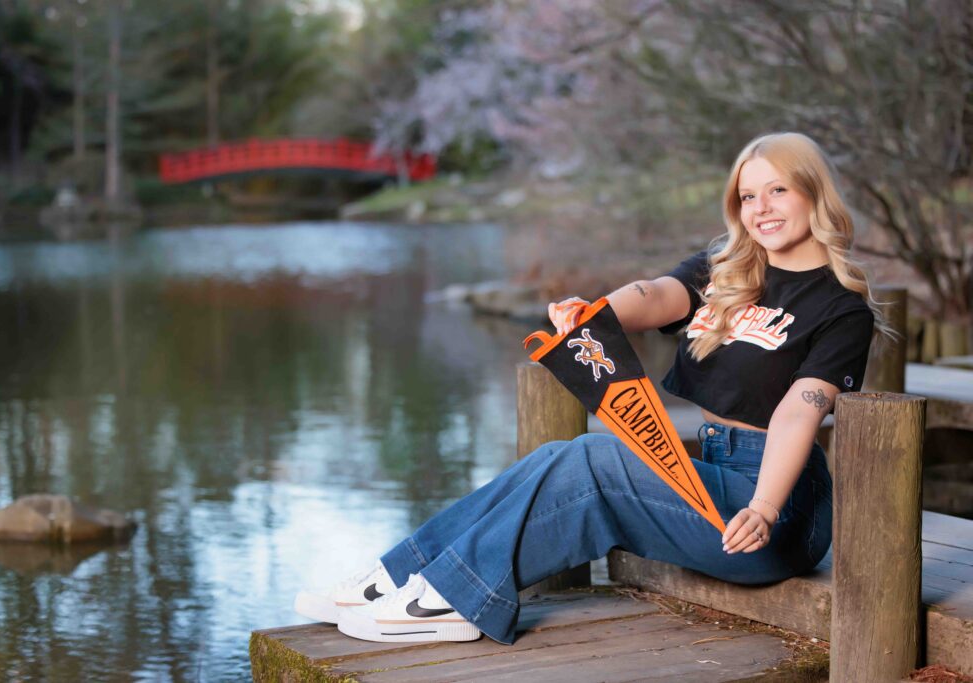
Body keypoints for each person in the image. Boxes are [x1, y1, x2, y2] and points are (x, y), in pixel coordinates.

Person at [294, 131, 879, 646]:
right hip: (713, 474)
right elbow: (654, 295)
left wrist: (765, 506)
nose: (760, 209)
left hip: (777, 511)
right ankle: (402, 574)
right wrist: (594, 316)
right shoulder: (728, 269)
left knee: (595, 458)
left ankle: (455, 597)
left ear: (813, 192)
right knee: (558, 457)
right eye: (748, 196)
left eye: (777, 190)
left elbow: (799, 415)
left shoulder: (840, 309)